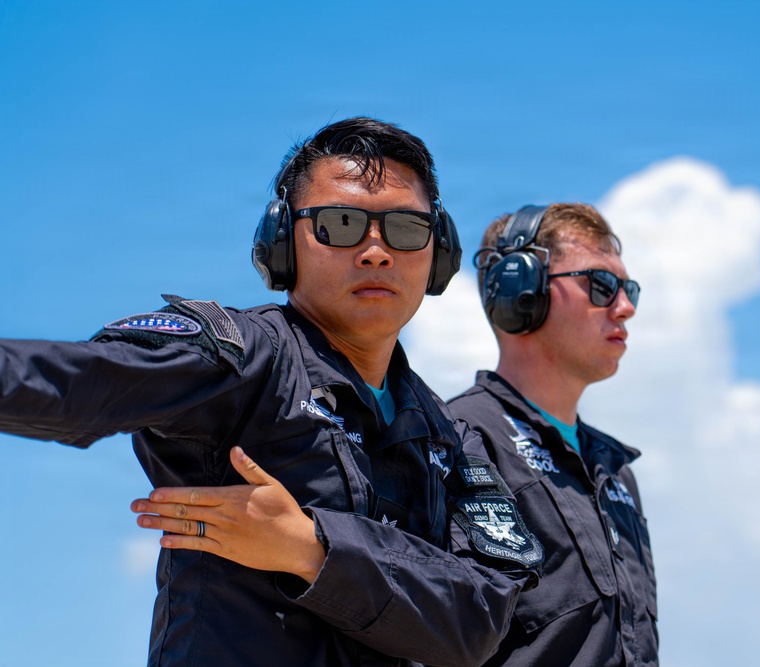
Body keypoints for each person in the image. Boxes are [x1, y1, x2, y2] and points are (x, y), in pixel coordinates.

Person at [0, 117, 541, 667]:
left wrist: (312, 549)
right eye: (341, 223)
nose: (377, 252)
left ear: (438, 252)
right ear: (282, 242)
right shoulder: (245, 356)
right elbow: (84, 380)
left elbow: (481, 622)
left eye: (405, 228)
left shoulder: (450, 438)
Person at [448, 203, 658, 666]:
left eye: (631, 291)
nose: (625, 308)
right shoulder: (458, 440)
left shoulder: (617, 473)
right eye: (601, 286)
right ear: (521, 292)